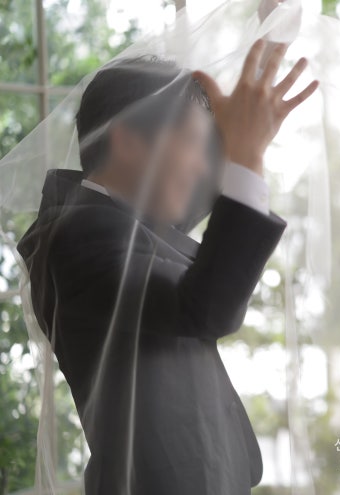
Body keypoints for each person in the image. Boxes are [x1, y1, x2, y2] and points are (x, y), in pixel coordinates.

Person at [17, 40, 317, 494]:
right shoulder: (78, 236)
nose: (203, 167)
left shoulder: (116, 223)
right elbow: (206, 305)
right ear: (129, 141)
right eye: (194, 144)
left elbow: (211, 207)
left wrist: (261, 62)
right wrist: (246, 156)